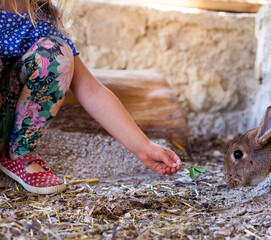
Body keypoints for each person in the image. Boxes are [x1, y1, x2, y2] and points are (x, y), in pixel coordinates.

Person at [0, 0, 181, 194]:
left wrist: (143, 147)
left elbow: (91, 91)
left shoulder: (42, 17)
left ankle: (19, 153)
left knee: (56, 53)